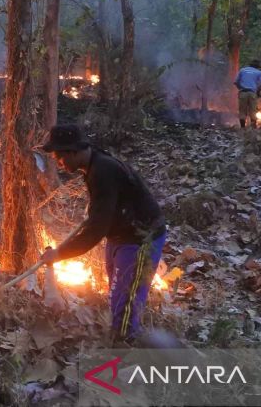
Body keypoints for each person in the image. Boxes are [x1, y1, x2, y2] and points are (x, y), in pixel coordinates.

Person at [39, 124, 166, 342]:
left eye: (60, 156)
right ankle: (122, 334)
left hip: (141, 239)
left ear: (73, 151)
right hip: (121, 234)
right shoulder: (93, 165)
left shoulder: (103, 171)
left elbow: (95, 231)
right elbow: (105, 210)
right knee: (116, 291)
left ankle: (125, 347)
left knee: (126, 301)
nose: (59, 163)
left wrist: (59, 254)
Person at [234, 59, 261, 128]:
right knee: (253, 111)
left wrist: (240, 88)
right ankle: (253, 128)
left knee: (242, 111)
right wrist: (258, 92)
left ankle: (242, 128)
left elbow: (236, 82)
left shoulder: (242, 70)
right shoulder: (258, 72)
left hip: (243, 93)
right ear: (257, 66)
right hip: (252, 93)